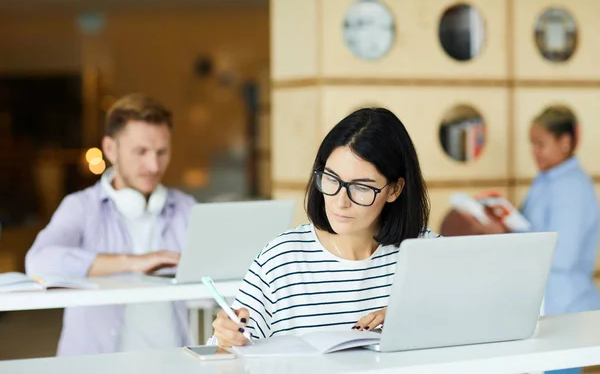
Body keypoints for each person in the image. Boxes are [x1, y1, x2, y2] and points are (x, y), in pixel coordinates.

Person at [211, 107, 440, 346]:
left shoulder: (428, 253)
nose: (341, 202)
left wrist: (412, 315)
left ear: (395, 189)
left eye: (361, 187)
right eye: (332, 179)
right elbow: (224, 358)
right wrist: (225, 341)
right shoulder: (282, 259)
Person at [25, 94, 197, 356]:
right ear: (110, 149)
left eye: (162, 152)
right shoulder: (80, 207)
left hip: (173, 364)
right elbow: (39, 262)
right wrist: (133, 262)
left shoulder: (186, 208)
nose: (154, 165)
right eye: (141, 152)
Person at [522, 106, 599, 374]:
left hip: (564, 307)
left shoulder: (572, 188)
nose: (534, 152)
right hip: (545, 306)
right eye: (532, 144)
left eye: (540, 144)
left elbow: (561, 254)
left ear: (565, 143)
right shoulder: (546, 180)